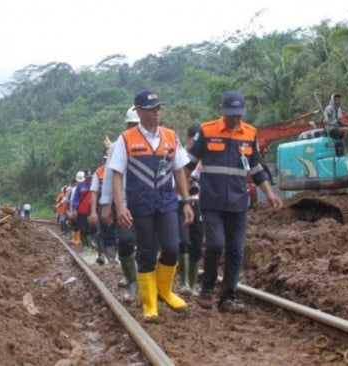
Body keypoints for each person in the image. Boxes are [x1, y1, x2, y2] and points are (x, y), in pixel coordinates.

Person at [186, 91, 283, 313]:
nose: (234, 119)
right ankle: (207, 288)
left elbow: (256, 167)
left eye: (238, 115)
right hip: (212, 201)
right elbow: (188, 165)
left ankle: (228, 298)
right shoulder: (207, 131)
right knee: (215, 244)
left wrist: (269, 193)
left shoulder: (250, 133)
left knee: (236, 251)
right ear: (222, 110)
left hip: (238, 203)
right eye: (231, 115)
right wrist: (182, 197)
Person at [109, 91, 194, 321]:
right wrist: (120, 206)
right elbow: (116, 175)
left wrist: (186, 202)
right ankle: (149, 304)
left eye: (159, 108)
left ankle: (164, 291)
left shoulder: (170, 136)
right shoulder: (125, 140)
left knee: (172, 247)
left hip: (166, 201)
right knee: (146, 253)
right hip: (140, 203)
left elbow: (179, 170)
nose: (157, 113)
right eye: (151, 109)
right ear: (139, 111)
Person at [99, 106, 141, 302]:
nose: (134, 128)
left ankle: (145, 282)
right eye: (131, 125)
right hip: (124, 201)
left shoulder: (156, 141)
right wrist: (106, 203)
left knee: (148, 244)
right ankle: (131, 281)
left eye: (137, 125)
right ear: (126, 125)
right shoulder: (117, 146)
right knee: (125, 241)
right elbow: (109, 175)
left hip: (148, 201)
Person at [177, 124, 204, 296]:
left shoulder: (205, 159)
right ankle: (184, 282)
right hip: (181, 203)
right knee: (183, 242)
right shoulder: (182, 157)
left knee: (197, 245)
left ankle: (192, 284)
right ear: (187, 138)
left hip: (199, 204)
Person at [72, 170, 95, 251]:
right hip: (82, 211)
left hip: (92, 210)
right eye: (88, 177)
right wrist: (74, 209)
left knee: (92, 228)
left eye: (90, 177)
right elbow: (76, 198)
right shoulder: (80, 186)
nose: (89, 179)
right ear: (85, 177)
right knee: (83, 228)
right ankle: (86, 245)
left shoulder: (95, 184)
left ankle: (91, 245)